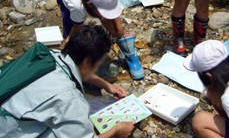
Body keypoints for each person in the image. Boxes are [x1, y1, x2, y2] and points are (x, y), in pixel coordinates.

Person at [0, 25, 135, 138]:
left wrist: (107, 85)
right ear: (88, 62)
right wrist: (116, 130)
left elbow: (78, 69)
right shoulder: (70, 99)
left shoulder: (49, 54)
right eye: (98, 64)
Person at [57, 0, 144, 80]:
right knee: (72, 38)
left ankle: (130, 55)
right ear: (90, 5)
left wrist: (119, 32)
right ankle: (74, 63)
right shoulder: (77, 7)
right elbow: (77, 26)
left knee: (114, 26)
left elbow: (113, 15)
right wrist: (68, 39)